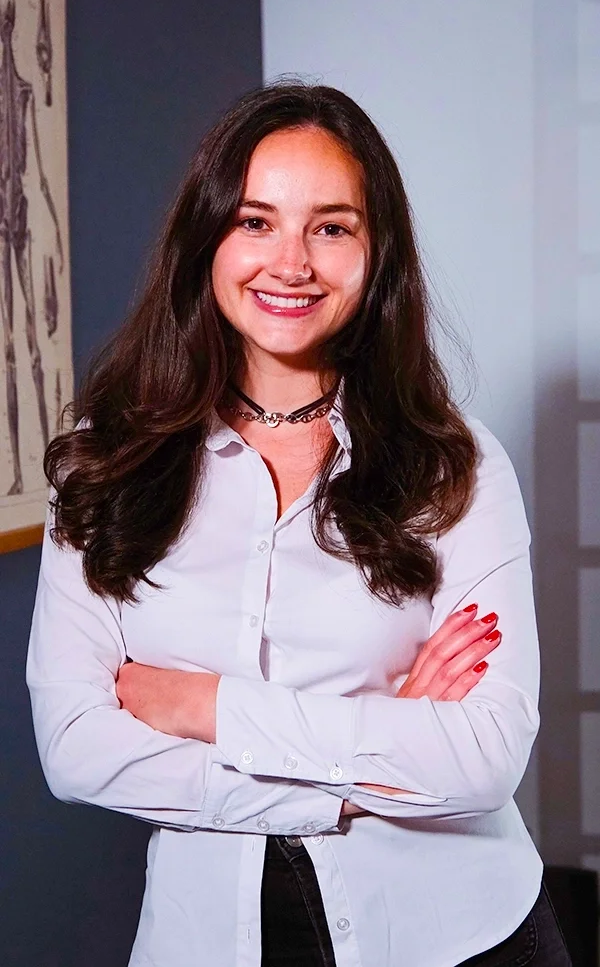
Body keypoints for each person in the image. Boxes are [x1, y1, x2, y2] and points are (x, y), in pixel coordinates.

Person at [26, 80, 571, 967]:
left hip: (464, 938)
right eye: (254, 221)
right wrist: (355, 775)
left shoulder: (456, 463)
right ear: (206, 238)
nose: (292, 262)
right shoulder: (106, 459)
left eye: (331, 226)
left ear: (375, 251)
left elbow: (483, 757)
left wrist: (208, 708)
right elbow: (79, 750)